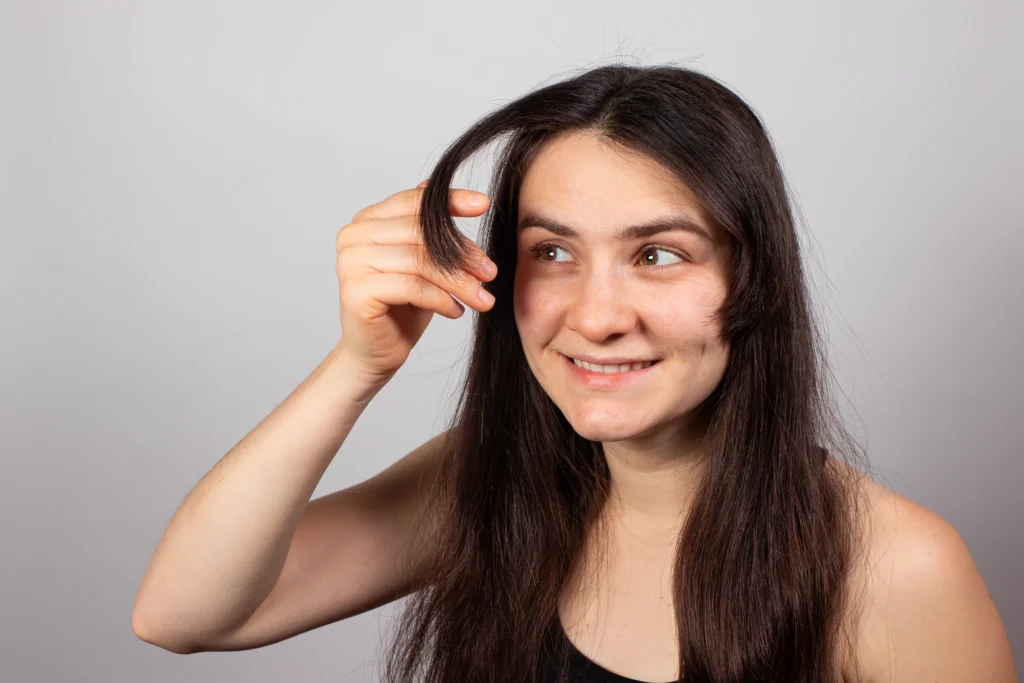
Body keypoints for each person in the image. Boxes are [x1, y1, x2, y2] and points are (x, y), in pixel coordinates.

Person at [131, 64, 1018, 682]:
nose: (596, 315)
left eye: (660, 254)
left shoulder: (895, 567)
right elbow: (184, 614)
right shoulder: (486, 481)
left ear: (753, 277)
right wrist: (356, 367)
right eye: (551, 250)